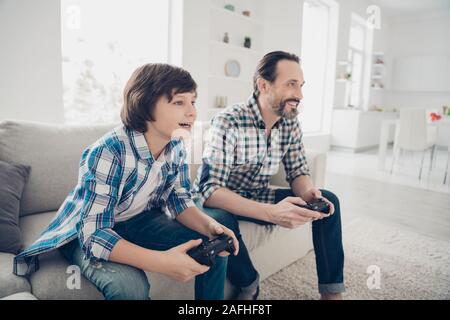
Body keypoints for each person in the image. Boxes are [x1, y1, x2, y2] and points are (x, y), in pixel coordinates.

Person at [13, 63, 239, 300]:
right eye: (179, 102)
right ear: (145, 105)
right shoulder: (108, 152)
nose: (192, 112)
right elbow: (94, 233)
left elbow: (179, 199)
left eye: (193, 101)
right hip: (88, 230)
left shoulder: (176, 145)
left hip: (139, 219)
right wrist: (162, 262)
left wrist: (209, 226)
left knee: (213, 242)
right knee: (129, 287)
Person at [193, 51, 345, 300]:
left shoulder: (290, 122)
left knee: (329, 201)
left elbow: (297, 171)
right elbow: (210, 190)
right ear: (263, 85)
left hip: (259, 193)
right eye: (291, 84)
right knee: (220, 222)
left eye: (301, 85)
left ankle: (331, 294)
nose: (299, 94)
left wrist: (308, 193)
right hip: (223, 200)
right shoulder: (229, 121)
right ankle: (249, 282)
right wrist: (271, 213)